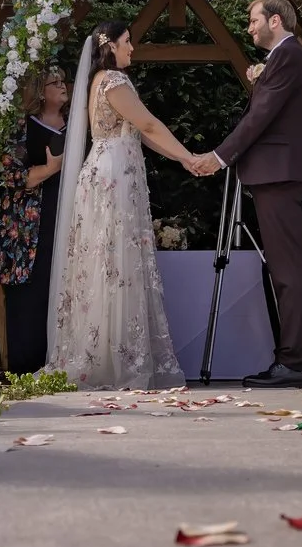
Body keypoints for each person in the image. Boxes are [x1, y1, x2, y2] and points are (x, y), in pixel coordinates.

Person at [49, 22, 205, 389]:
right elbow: (149, 125)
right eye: (127, 41)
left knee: (106, 263)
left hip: (109, 172)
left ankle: (102, 356)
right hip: (113, 178)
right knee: (114, 262)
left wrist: (182, 158)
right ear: (111, 46)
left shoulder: (99, 81)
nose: (133, 48)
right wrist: (189, 157)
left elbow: (142, 133)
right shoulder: (114, 82)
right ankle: (114, 361)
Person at [190, 0, 302, 387]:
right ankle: (290, 359)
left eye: (253, 20)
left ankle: (294, 363)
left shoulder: (289, 55)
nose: (249, 27)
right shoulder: (284, 58)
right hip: (274, 173)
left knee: (288, 269)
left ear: (275, 20)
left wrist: (219, 157)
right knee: (283, 267)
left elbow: (260, 117)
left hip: (279, 174)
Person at [0, 65, 70, 376]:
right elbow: (10, 175)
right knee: (28, 293)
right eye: (54, 82)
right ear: (38, 90)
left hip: (65, 216)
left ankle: (57, 365)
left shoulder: (75, 125)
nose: (62, 86)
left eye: (63, 80)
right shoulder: (21, 126)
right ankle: (23, 369)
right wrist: (50, 169)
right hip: (26, 224)